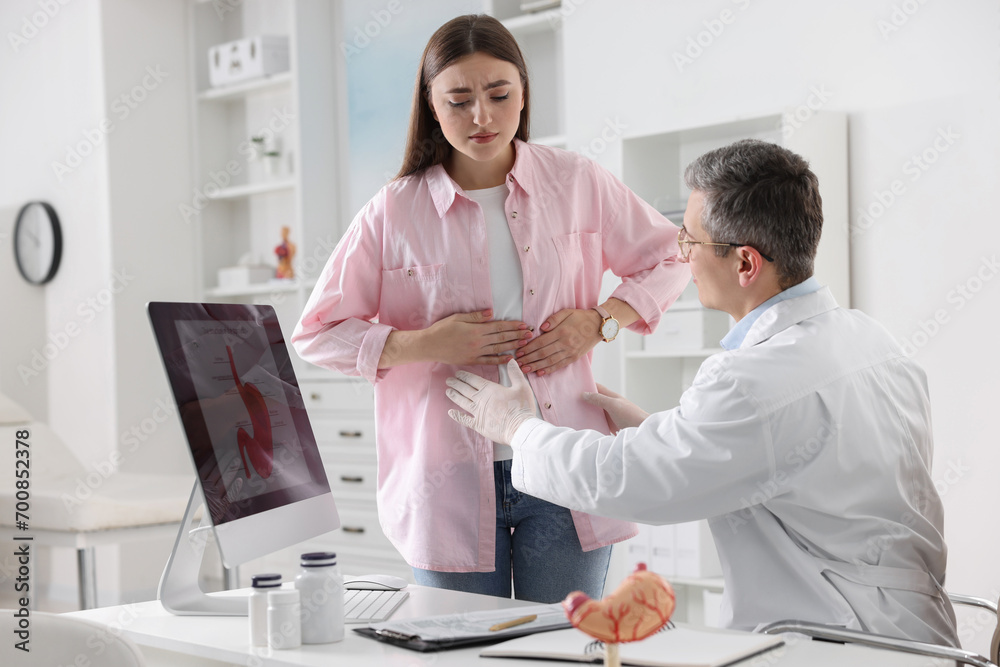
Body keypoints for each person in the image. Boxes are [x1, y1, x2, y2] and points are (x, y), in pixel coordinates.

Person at [445, 138, 960, 645]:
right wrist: (654, 430)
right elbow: (787, 460)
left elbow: (629, 481)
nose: (682, 256)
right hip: (919, 635)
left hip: (841, 644)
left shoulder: (754, 380)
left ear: (744, 264)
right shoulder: (871, 339)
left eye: (689, 241)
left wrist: (516, 427)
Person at [291, 14, 689, 603]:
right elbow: (316, 331)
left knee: (559, 650)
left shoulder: (577, 181)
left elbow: (672, 256)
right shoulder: (393, 211)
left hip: (565, 463)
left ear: (524, 93)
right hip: (443, 483)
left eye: (499, 94)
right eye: (459, 99)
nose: (482, 116)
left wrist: (602, 320)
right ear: (430, 106)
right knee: (460, 652)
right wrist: (426, 343)